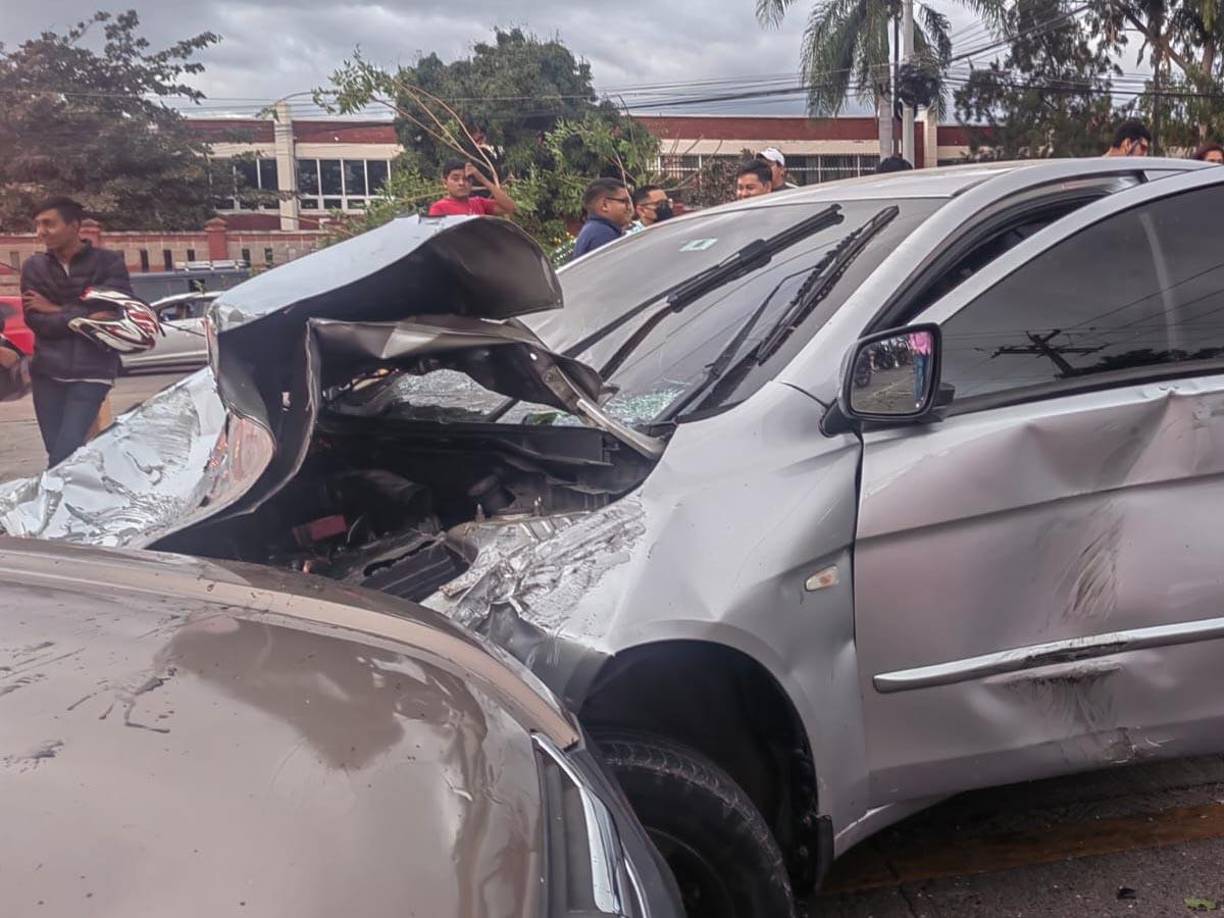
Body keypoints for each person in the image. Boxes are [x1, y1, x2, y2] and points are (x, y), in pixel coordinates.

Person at [20, 196, 134, 467]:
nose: (41, 232)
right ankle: (86, 502)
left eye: (49, 224)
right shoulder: (34, 267)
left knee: (66, 451)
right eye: (37, 225)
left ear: (74, 226)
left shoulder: (108, 263)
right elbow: (36, 321)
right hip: (47, 372)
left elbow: (112, 313)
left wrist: (55, 308)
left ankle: (57, 506)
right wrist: (81, 315)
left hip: (93, 371)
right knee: (57, 452)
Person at [428, 159, 517, 217]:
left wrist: (482, 179)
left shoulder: (479, 203)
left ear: (472, 182)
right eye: (455, 179)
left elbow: (510, 207)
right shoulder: (439, 208)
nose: (461, 183)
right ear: (444, 182)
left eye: (466, 179)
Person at [571, 179, 634, 260]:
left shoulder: (594, 229)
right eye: (625, 201)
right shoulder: (602, 234)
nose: (629, 207)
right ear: (605, 205)